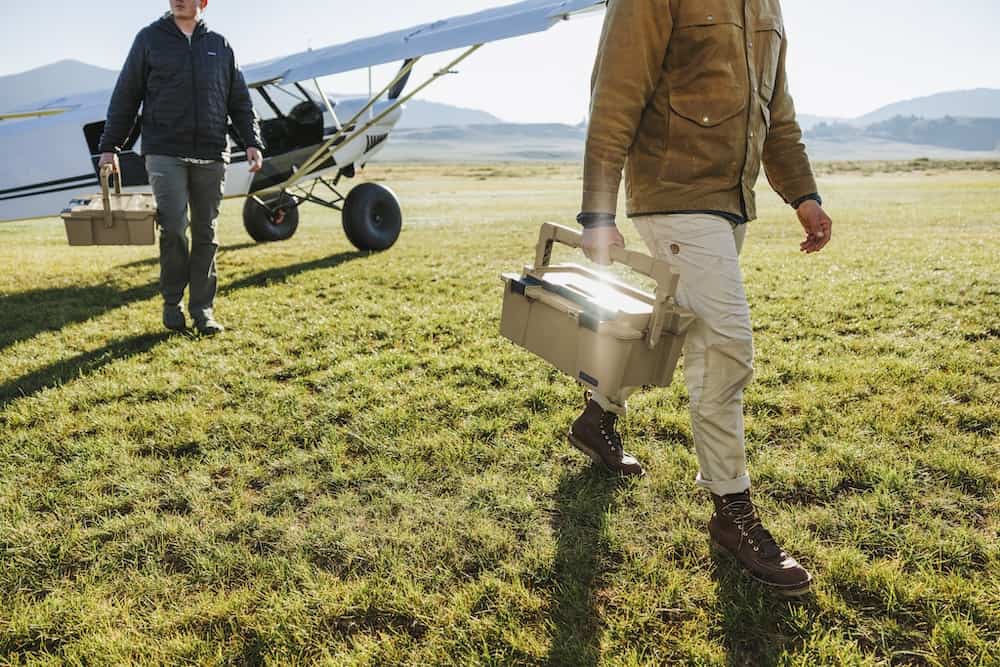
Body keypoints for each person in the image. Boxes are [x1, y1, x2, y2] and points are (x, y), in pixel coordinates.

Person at [571, 0, 833, 596]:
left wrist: (803, 194)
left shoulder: (767, 8)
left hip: (730, 203)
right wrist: (596, 211)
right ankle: (732, 511)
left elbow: (777, 112)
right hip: (670, 194)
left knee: (674, 325)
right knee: (725, 345)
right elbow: (614, 93)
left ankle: (598, 416)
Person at [98, 0, 264, 335]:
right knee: (174, 228)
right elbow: (126, 96)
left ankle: (202, 310)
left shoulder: (220, 45)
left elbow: (239, 100)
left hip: (212, 154)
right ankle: (172, 302)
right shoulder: (148, 39)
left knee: (207, 233)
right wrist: (109, 147)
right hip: (164, 152)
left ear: (203, 2)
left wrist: (252, 142)